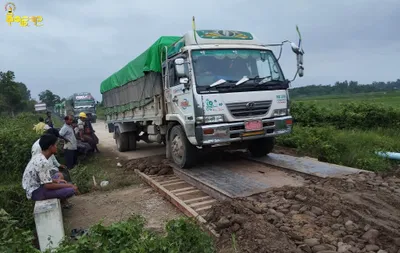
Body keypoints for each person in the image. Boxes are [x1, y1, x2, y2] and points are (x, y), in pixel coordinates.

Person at [22, 134, 79, 208]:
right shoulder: (43, 162)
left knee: (59, 176)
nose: (56, 147)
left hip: (37, 186)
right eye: (55, 145)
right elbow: (48, 186)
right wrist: (69, 185)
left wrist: (55, 181)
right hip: (36, 191)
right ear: (50, 147)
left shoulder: (39, 156)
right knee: (71, 190)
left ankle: (62, 201)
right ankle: (62, 202)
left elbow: (43, 178)